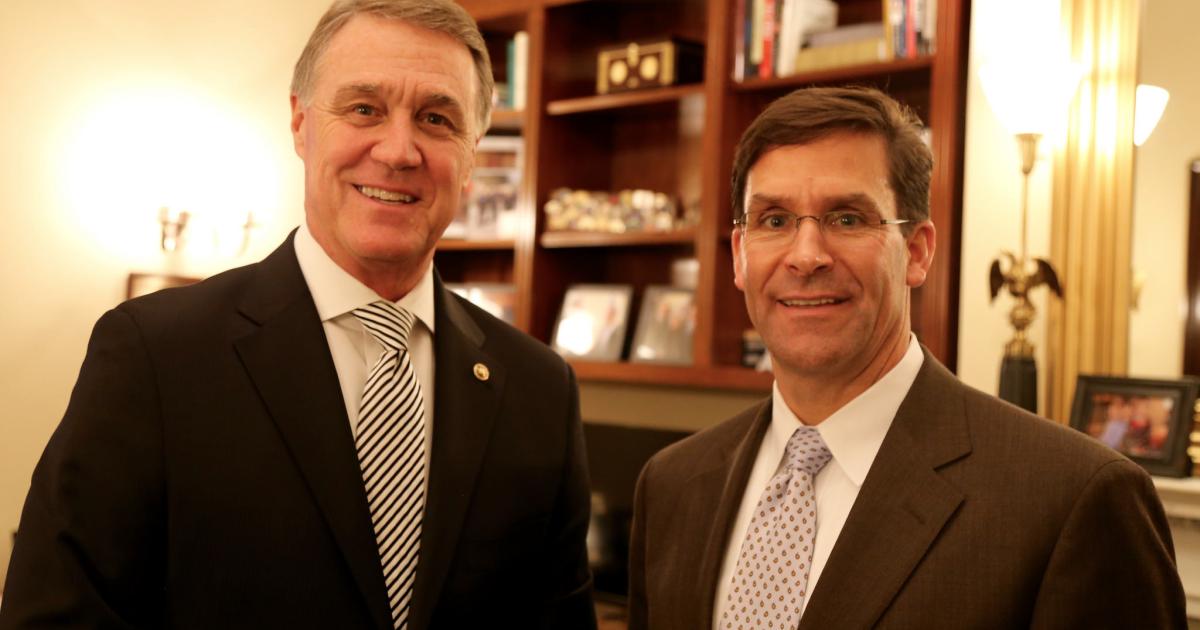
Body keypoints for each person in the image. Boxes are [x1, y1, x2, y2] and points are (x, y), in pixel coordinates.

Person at [0, 1, 596, 628]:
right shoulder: (154, 354)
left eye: (436, 119)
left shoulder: (540, 390)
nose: (399, 150)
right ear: (300, 123)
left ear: (472, 153)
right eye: (364, 108)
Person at [627, 86, 1185, 629]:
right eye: (774, 221)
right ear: (739, 255)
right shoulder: (672, 485)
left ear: (916, 252)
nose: (806, 256)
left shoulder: (1072, 499)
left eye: (847, 218)